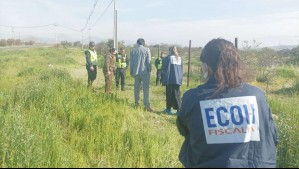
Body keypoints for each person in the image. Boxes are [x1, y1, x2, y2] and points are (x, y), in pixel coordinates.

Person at [176, 38, 278, 168]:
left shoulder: (193, 98)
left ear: (206, 66)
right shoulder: (257, 95)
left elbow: (184, 130)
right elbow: (271, 135)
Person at [130, 38, 153, 112]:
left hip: (136, 73)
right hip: (145, 72)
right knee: (146, 89)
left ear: (137, 43)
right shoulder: (147, 50)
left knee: (136, 89)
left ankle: (136, 103)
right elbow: (148, 61)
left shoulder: (133, 50)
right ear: (143, 43)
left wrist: (131, 72)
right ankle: (146, 105)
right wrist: (149, 70)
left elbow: (132, 63)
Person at [162, 46, 183, 115]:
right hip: (178, 79)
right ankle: (178, 110)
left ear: (170, 50)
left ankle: (168, 109)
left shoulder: (169, 57)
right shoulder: (179, 58)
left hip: (170, 79)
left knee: (169, 94)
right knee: (177, 95)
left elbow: (164, 65)